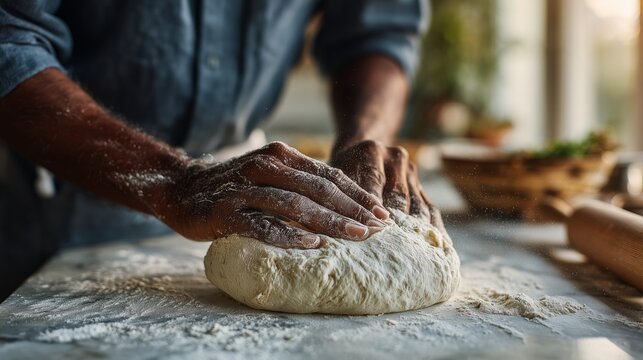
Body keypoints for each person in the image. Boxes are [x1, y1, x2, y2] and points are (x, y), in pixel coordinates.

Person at [0, 0, 446, 299]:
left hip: (249, 203)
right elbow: (9, 40)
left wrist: (364, 136)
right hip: (52, 203)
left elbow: (377, 31)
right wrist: (175, 180)